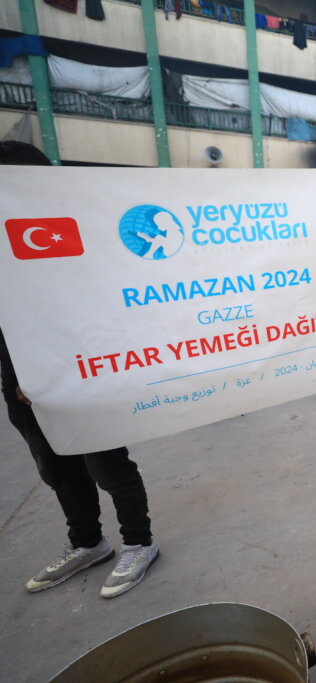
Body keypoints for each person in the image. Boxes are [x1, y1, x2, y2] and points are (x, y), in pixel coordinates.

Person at [0, 140, 158, 599]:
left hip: (78, 368)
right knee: (56, 466)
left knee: (106, 461)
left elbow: (101, 302)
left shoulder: (77, 227)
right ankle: (88, 542)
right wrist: (18, 375)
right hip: (19, 380)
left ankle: (138, 542)